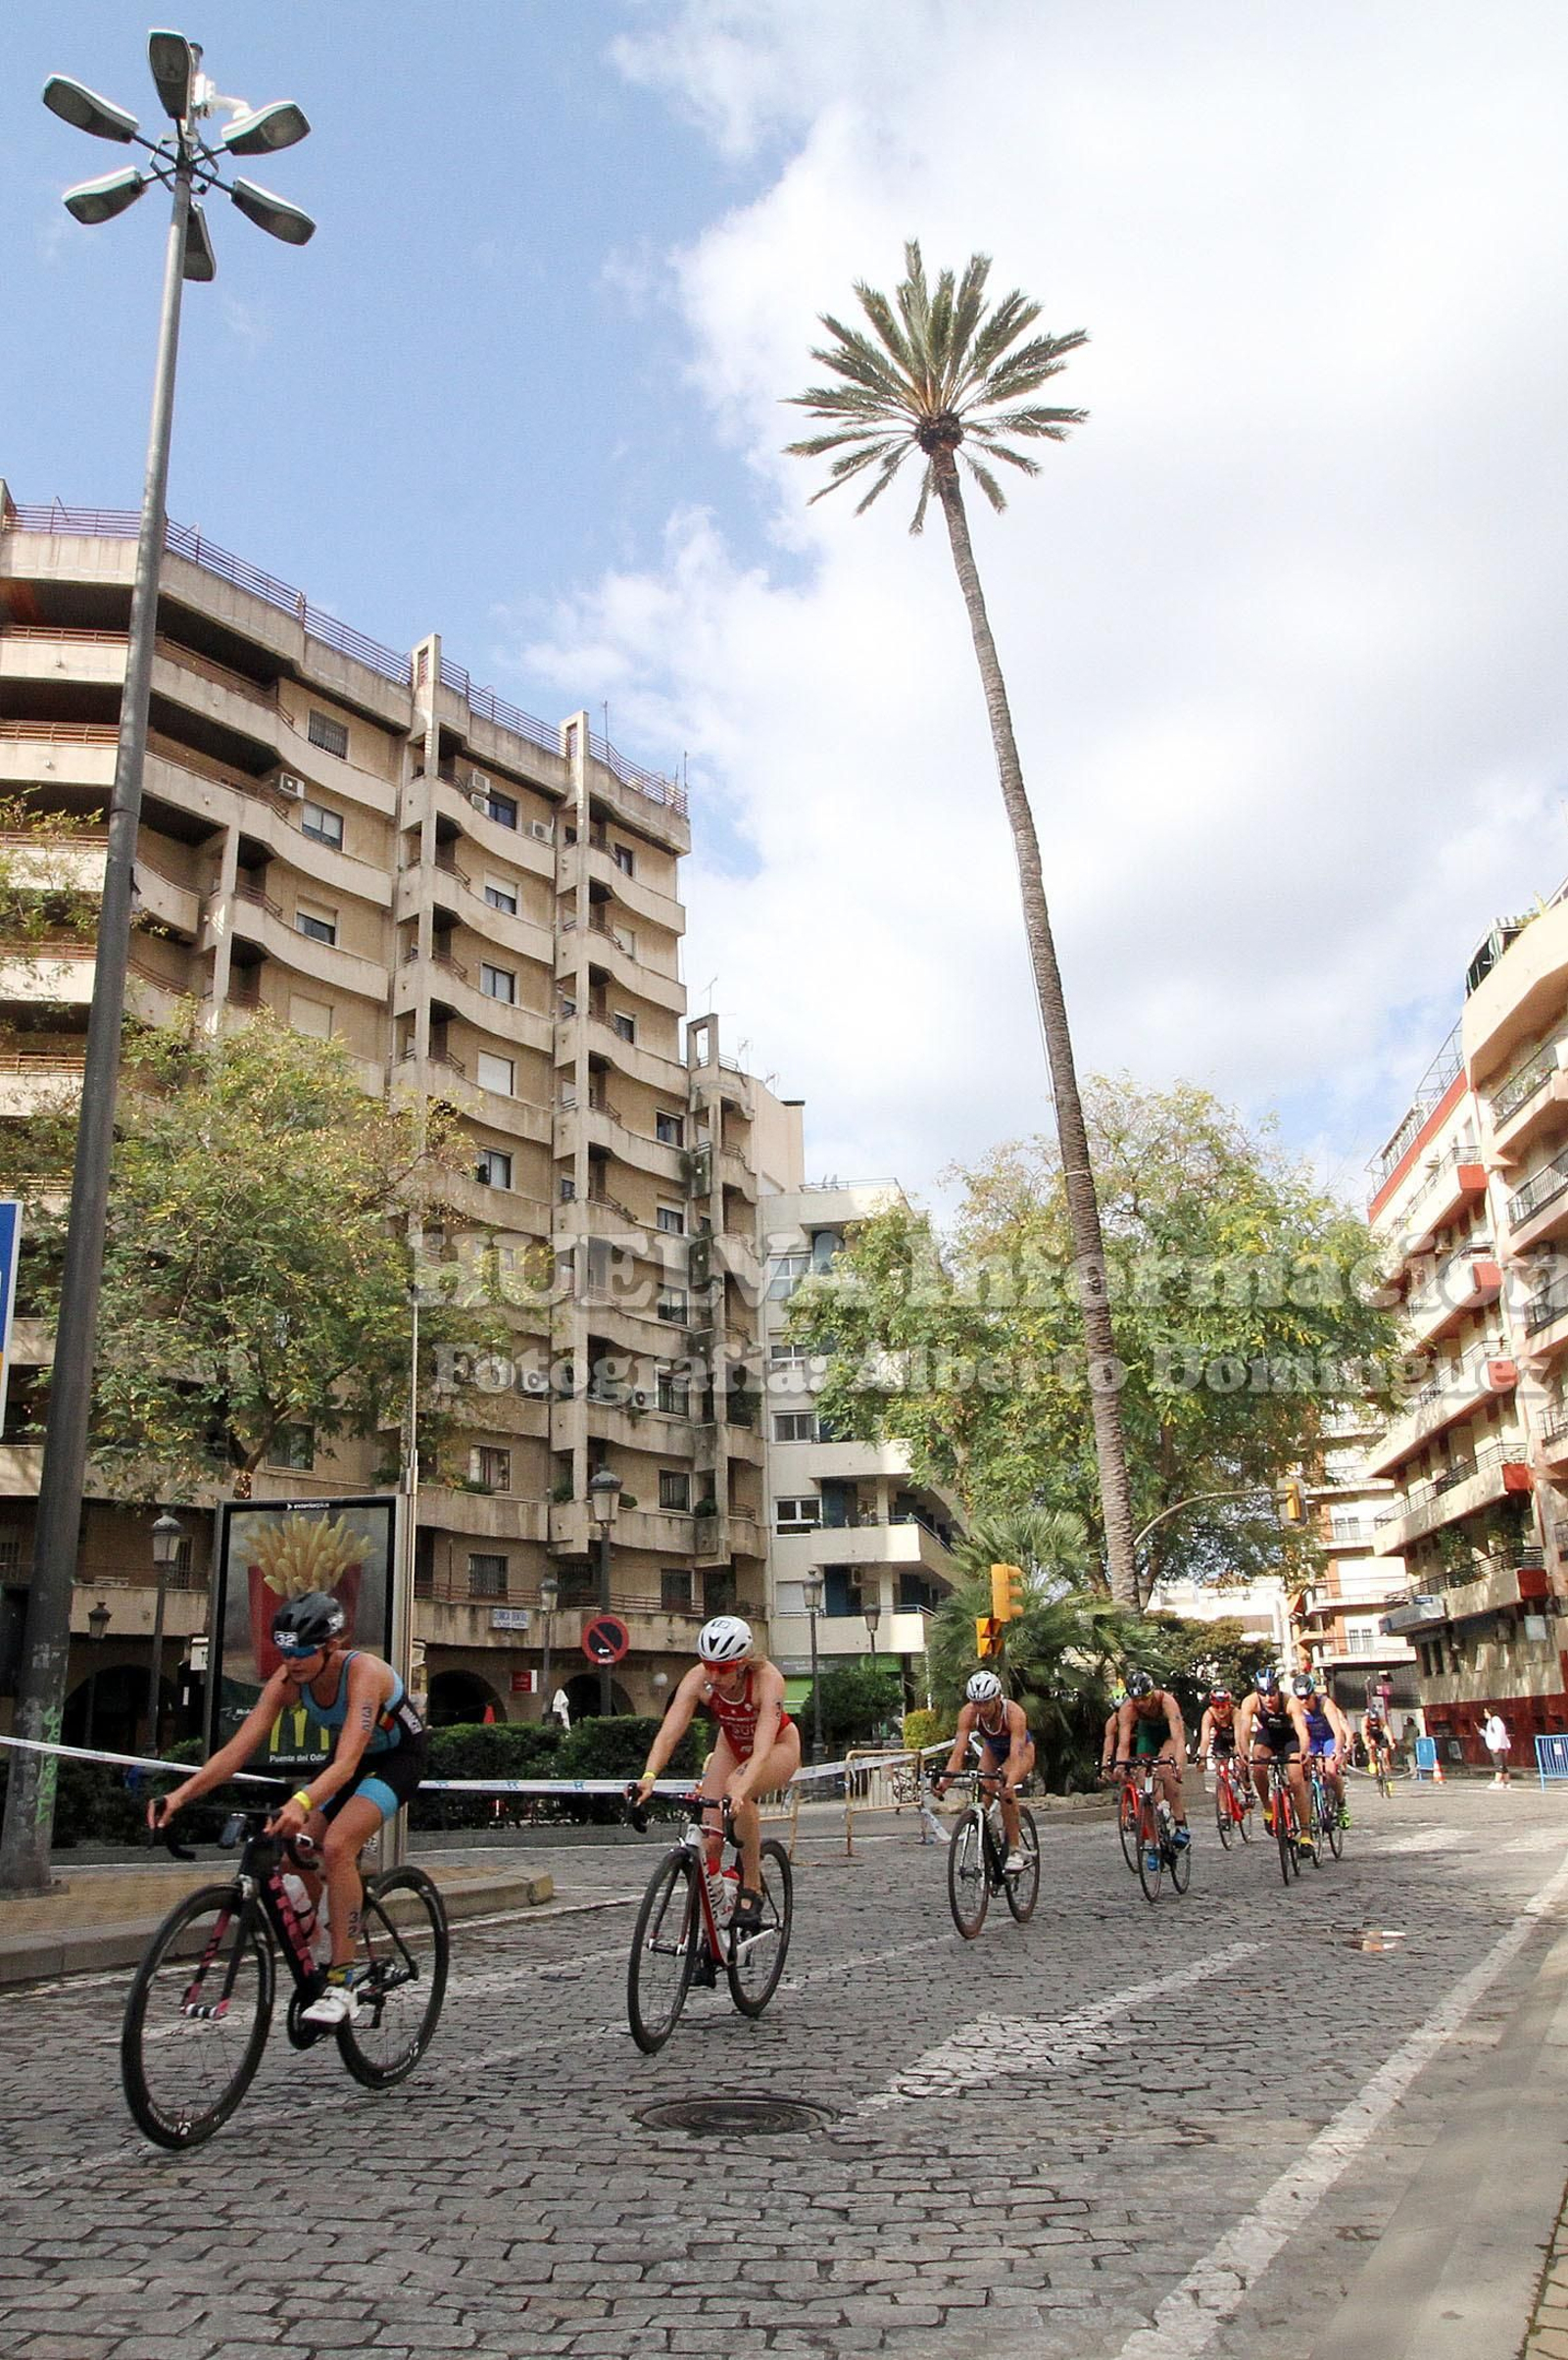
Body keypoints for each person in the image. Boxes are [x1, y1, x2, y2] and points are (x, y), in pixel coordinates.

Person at [148, 1590, 426, 2026]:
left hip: (396, 1760)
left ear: (331, 1645)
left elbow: (347, 1763)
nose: (291, 1662)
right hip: (348, 1762)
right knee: (292, 1849)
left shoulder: (364, 1673)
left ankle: (342, 1983)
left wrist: (300, 1800)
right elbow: (237, 1750)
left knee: (338, 1846)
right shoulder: (288, 1682)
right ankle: (317, 1936)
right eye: (284, 1652)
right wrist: (179, 1796)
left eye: (300, 1653)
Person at [632, 1615, 801, 1937]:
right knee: (709, 1840)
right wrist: (649, 1776)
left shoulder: (767, 1679)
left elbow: (762, 1748)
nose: (713, 1676)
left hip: (777, 1747)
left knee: (737, 1787)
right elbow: (669, 1732)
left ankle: (752, 1887)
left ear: (743, 1663)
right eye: (708, 1666)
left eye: (722, 1669)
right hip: (730, 1745)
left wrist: (739, 1789)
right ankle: (714, 1933)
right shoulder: (699, 1679)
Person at [933, 1669, 1036, 1872]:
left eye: (985, 1703)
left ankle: (1015, 1850)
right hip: (993, 1748)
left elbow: (1015, 1756)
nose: (980, 1708)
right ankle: (987, 1837)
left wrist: (1009, 1781)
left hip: (1021, 1751)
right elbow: (958, 1754)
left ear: (997, 1698)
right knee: (982, 1790)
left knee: (1004, 1787)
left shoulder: (1014, 1713)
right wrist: (945, 1782)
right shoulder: (968, 1713)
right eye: (976, 1703)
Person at [1108, 1672, 1190, 1861]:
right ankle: (1154, 1843)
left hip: (1169, 1735)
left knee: (1165, 1769)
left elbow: (1178, 1739)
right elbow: (1123, 1744)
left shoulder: (1166, 1701)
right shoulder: (1128, 1708)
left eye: (1144, 1698)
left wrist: (1178, 1765)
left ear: (1152, 1693)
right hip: (1148, 1735)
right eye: (1136, 1700)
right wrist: (1120, 1765)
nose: (1141, 1704)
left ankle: (1180, 1824)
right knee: (1143, 1787)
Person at [1237, 1668, 1313, 1854]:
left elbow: (1302, 1731)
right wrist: (1243, 1752)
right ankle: (1268, 1807)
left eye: (1272, 1693)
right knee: (1258, 1767)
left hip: (1290, 1738)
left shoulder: (1290, 1702)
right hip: (1268, 1737)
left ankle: (1306, 1833)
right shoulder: (1250, 1702)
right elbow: (1243, 1731)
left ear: (1278, 1690)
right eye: (1263, 1693)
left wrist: (1304, 1751)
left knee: (1296, 1781)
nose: (1268, 1698)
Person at [1296, 1670, 1352, 1827]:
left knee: (1331, 1771)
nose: (1303, 1701)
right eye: (1300, 1698)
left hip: (1328, 1738)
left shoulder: (1325, 1704)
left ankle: (1341, 1805)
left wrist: (1338, 1750)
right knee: (1303, 1773)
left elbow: (1338, 1731)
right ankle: (1309, 1812)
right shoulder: (1296, 1706)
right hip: (1311, 1740)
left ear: (1313, 1693)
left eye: (1307, 1697)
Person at [1197, 1687, 1250, 1809]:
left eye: (1223, 1706)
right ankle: (1223, 1810)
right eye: (1217, 1706)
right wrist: (1202, 1758)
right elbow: (1205, 1739)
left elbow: (1239, 1738)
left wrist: (1240, 1754)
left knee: (1241, 1762)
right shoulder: (1209, 1714)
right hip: (1221, 1739)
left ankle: (1247, 1788)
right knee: (1219, 1768)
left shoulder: (1235, 1713)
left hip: (1236, 1738)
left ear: (1229, 1705)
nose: (1220, 1710)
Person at [1362, 1700, 1395, 1783]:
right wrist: (1366, 1744)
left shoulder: (1381, 1720)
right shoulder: (1365, 1721)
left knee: (1385, 1753)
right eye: (1372, 1720)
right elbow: (1364, 1734)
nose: (1374, 1722)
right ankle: (1372, 1762)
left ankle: (1387, 1773)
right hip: (1370, 1735)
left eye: (1375, 1720)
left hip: (1379, 1735)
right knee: (1371, 1745)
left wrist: (1391, 1742)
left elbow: (1387, 1730)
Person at [1482, 1709, 1512, 1787]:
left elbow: (1499, 1734)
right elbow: (1490, 1735)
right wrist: (1481, 1731)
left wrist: (1497, 1746)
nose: (1484, 1714)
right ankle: (1506, 1782)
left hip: (1498, 1747)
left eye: (1486, 1712)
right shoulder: (1490, 1722)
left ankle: (1497, 1782)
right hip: (1497, 1746)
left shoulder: (1496, 1721)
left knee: (1499, 1765)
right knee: (1503, 1765)